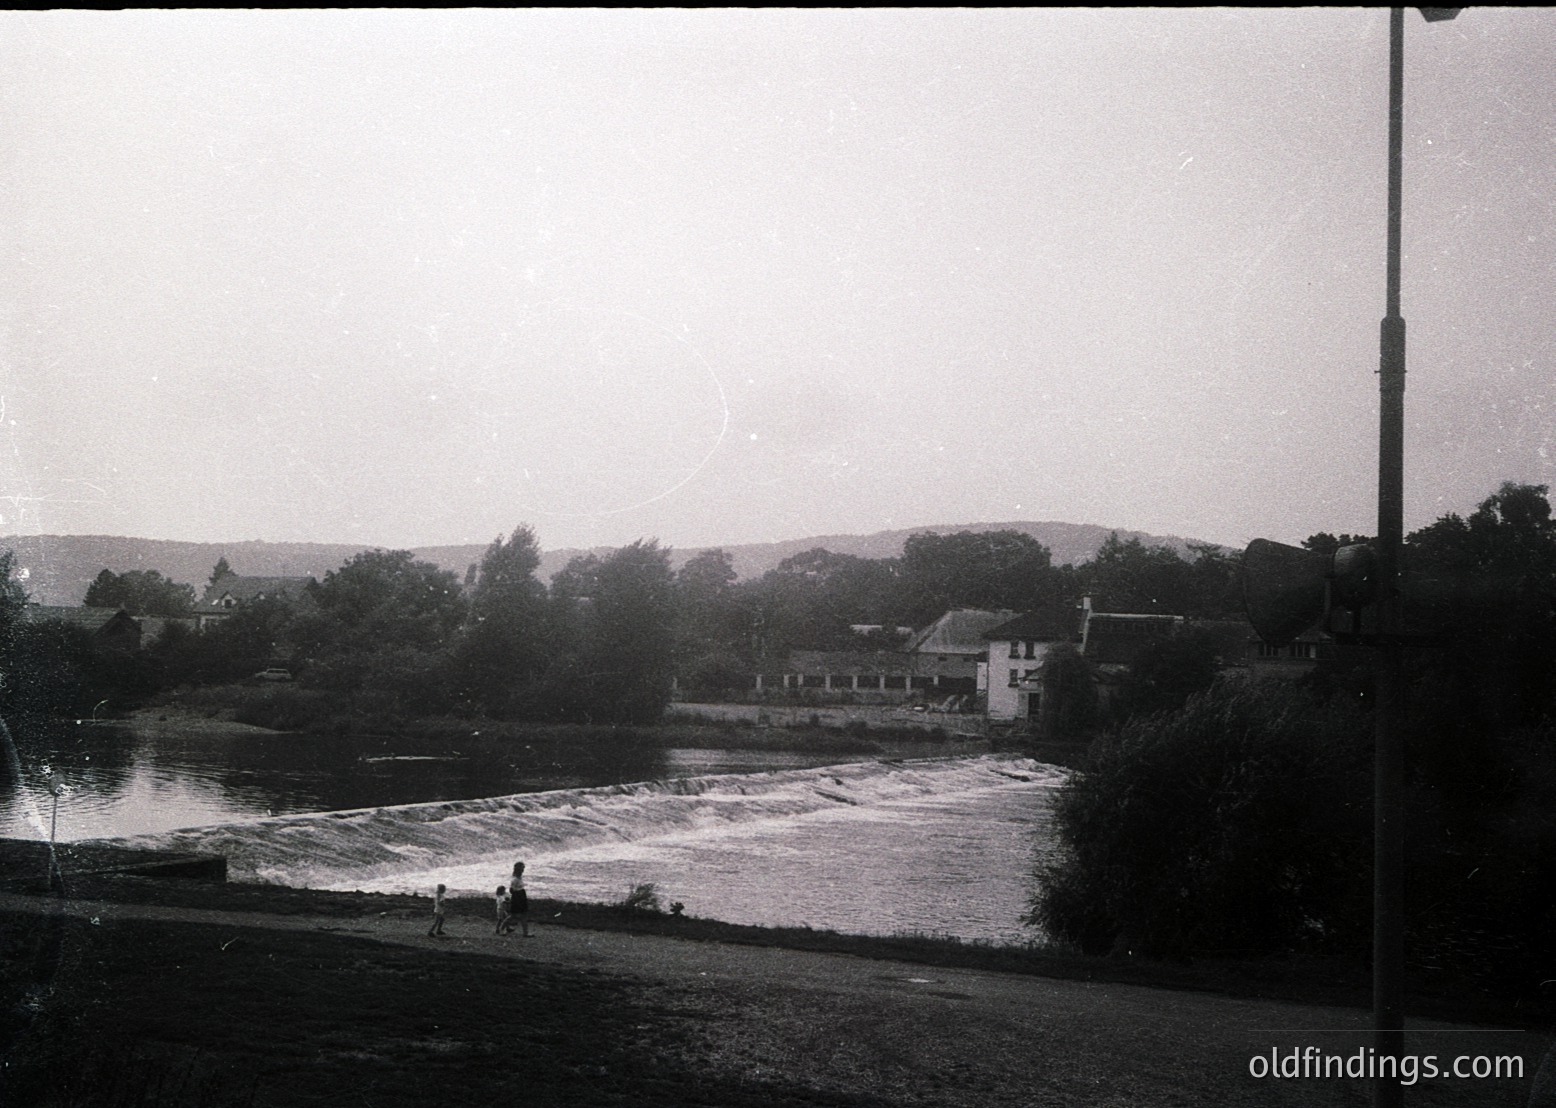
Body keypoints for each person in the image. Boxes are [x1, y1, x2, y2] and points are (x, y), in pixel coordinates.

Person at [509, 861, 532, 937]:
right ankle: (525, 933)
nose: (523, 870)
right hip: (519, 896)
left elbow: (512, 890)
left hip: (520, 895)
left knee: (518, 915)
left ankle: (525, 932)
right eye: (522, 868)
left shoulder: (517, 877)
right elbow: (511, 889)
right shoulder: (515, 879)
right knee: (518, 915)